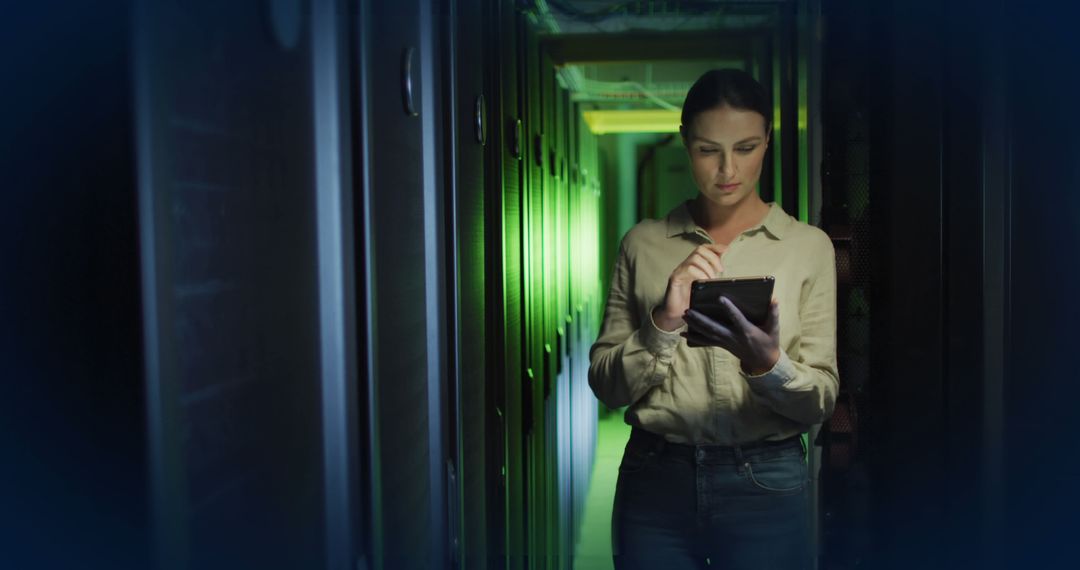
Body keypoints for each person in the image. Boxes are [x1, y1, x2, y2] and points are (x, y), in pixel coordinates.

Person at [588, 68, 839, 570]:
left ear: (767, 140)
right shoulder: (644, 243)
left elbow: (822, 400)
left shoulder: (808, 247)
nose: (728, 169)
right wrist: (663, 320)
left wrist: (769, 363)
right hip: (656, 476)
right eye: (708, 150)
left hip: (767, 480)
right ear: (685, 142)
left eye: (745, 148)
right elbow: (607, 385)